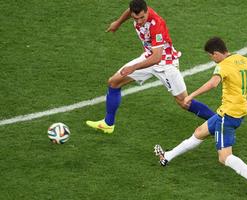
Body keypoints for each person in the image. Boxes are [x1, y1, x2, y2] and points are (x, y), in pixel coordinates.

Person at [154, 37, 247, 199]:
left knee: (224, 157)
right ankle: (166, 157)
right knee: (200, 132)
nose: (211, 59)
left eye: (210, 56)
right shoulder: (244, 60)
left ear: (216, 54)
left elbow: (213, 84)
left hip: (227, 116)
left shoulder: (223, 66)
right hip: (237, 112)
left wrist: (191, 96)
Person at [86, 0, 214, 133]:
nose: (139, 21)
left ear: (147, 11)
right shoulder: (136, 11)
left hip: (165, 63)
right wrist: (118, 23)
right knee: (114, 82)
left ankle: (218, 121)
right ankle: (108, 123)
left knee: (184, 102)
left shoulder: (156, 24)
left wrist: (134, 67)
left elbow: (157, 57)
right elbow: (129, 12)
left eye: (142, 17)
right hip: (148, 57)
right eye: (136, 18)